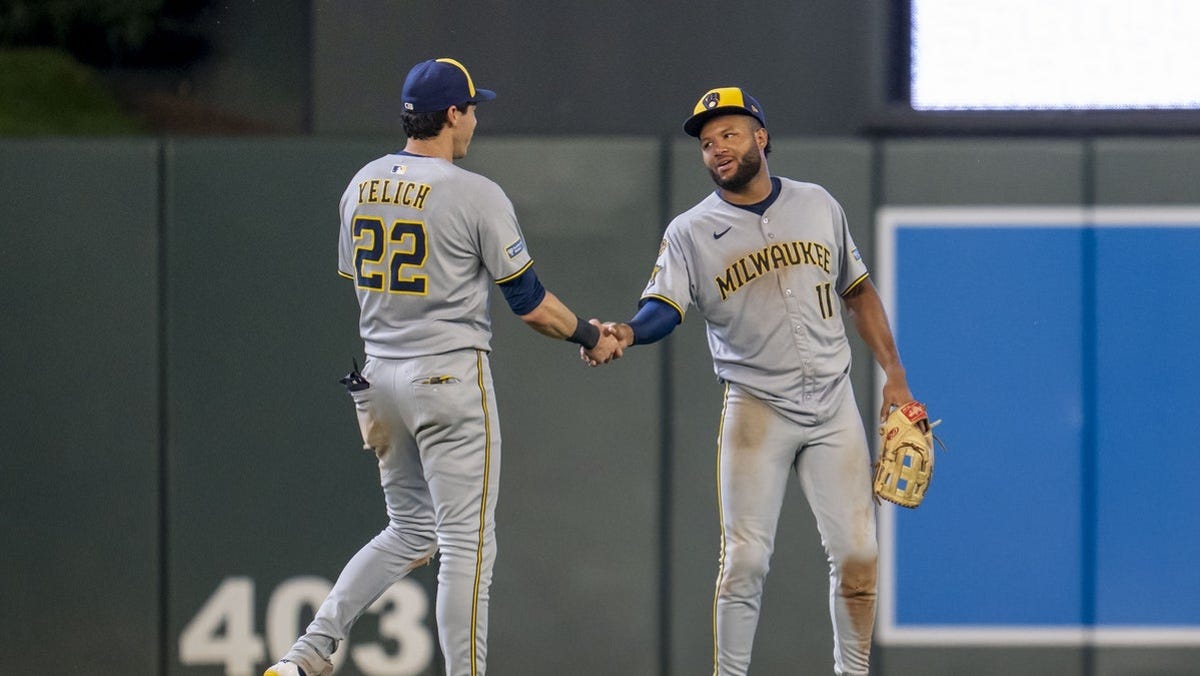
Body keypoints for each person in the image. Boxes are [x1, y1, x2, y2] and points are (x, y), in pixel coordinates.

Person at [265, 57, 619, 676]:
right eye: (472, 108)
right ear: (452, 115)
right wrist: (590, 334)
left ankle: (307, 653)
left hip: (378, 382)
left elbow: (359, 279)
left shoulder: (361, 183)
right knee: (466, 547)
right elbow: (530, 306)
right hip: (446, 378)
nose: (475, 119)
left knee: (409, 532)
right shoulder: (473, 191)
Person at [586, 87, 915, 676]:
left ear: (761, 138)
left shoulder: (819, 204)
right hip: (758, 406)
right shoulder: (690, 231)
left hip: (833, 402)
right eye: (707, 143)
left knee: (860, 557)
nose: (717, 149)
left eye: (730, 134)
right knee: (744, 562)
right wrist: (630, 333)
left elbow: (857, 291)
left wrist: (895, 376)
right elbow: (664, 306)